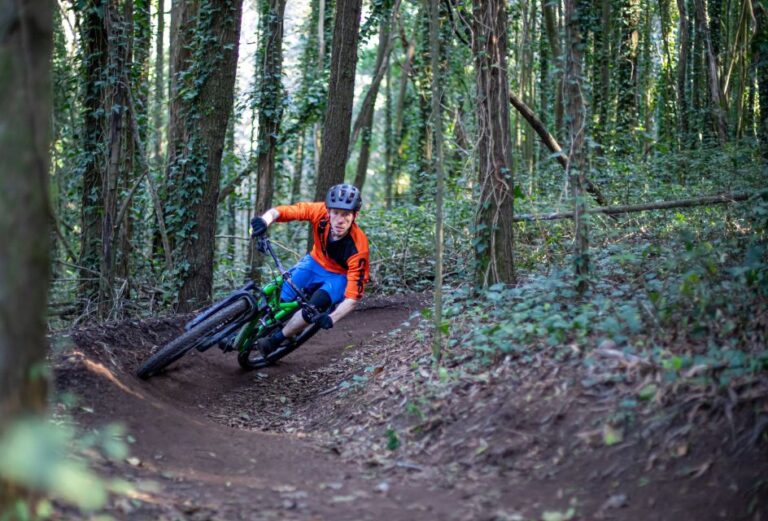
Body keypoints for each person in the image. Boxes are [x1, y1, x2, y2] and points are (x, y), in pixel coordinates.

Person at [250, 183, 370, 357]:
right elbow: (282, 212)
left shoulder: (359, 248)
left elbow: (352, 297)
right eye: (335, 213)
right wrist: (264, 220)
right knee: (282, 296)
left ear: (355, 215)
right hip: (315, 261)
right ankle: (249, 328)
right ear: (328, 211)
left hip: (339, 277)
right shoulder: (319, 212)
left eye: (346, 215)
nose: (339, 220)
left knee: (315, 305)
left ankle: (275, 340)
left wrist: (331, 318)